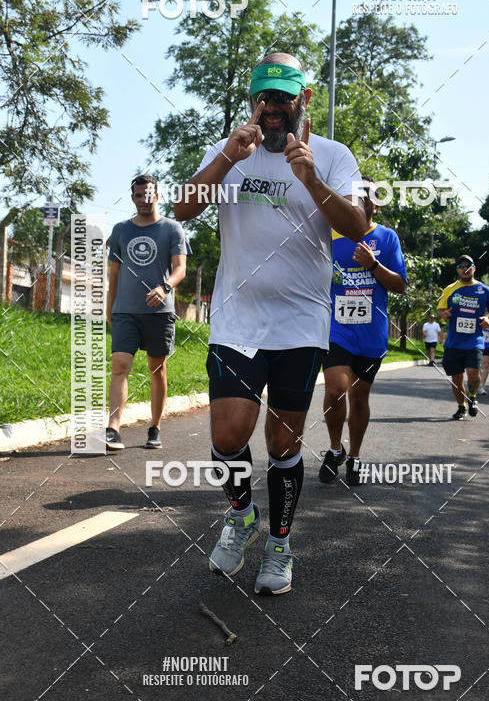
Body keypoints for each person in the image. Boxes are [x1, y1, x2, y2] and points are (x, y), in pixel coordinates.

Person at [175, 52, 365, 595]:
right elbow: (183, 209)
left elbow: (356, 226)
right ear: (252, 99)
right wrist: (225, 159)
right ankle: (241, 516)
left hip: (301, 324)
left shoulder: (332, 155)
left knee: (283, 445)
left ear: (304, 98)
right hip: (237, 321)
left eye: (283, 97)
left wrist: (312, 180)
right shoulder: (231, 149)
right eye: (264, 97)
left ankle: (280, 545)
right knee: (227, 435)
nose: (273, 107)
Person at [319, 181, 406, 487]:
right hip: (336, 328)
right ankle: (335, 449)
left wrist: (373, 264)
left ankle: (354, 456)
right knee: (335, 389)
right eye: (354, 194)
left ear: (375, 205)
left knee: (359, 397)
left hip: (371, 333)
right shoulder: (330, 236)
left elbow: (400, 285)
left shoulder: (387, 237)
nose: (359, 198)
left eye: (365, 195)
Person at [106, 174, 190, 450]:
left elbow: (181, 269)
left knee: (157, 369)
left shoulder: (172, 229)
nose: (144, 200)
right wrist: (110, 307)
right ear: (133, 198)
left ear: (157, 195)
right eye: (138, 195)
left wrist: (165, 287)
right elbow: (114, 273)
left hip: (159, 312)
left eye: (148, 194)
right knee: (120, 366)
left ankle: (155, 427)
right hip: (125, 312)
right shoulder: (120, 230)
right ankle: (113, 429)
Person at [437, 255, 489, 420]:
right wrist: (443, 314)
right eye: (461, 266)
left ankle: (473, 397)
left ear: (474, 268)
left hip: (474, 341)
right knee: (457, 378)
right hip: (454, 342)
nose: (465, 268)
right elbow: (439, 309)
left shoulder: (484, 290)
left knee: (473, 371)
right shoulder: (449, 289)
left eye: (468, 265)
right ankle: (461, 406)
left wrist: (488, 318)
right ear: (457, 270)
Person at [479, 323, 489, 395]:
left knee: (485, 365)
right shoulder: (477, 316)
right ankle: (476, 382)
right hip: (475, 343)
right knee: (475, 366)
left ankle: (481, 386)